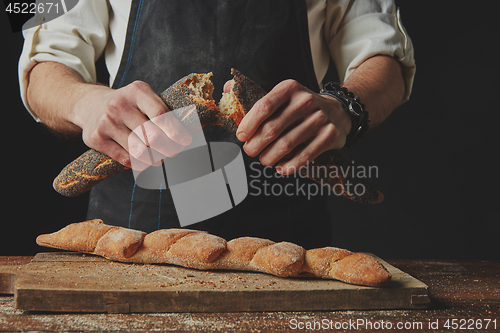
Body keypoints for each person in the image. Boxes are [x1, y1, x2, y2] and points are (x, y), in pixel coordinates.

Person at [19, 0, 415, 249]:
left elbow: (387, 59)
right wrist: (85, 102)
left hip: (288, 245)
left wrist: (344, 105)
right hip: (133, 239)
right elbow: (43, 62)